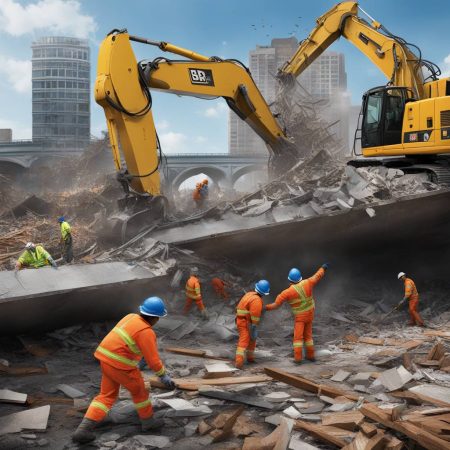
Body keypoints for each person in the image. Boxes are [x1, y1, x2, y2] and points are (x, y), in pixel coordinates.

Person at [72, 297, 175, 444]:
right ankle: (148, 423)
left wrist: (140, 358)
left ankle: (83, 429)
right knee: (140, 391)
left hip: (105, 360)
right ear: (154, 317)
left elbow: (126, 342)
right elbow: (154, 361)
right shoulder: (146, 332)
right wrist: (162, 375)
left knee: (106, 396)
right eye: (158, 317)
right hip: (121, 366)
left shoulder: (130, 317)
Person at [265, 264, 328, 364]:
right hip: (310, 314)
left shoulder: (287, 292)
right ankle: (311, 356)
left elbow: (276, 305)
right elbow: (318, 275)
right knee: (308, 336)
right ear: (300, 278)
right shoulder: (308, 282)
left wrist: (265, 308)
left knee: (298, 338)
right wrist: (323, 268)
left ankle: (298, 359)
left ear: (289, 280)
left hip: (300, 317)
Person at [235, 280, 270, 369]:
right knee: (244, 340)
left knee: (252, 340)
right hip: (245, 322)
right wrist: (254, 326)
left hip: (242, 320)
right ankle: (238, 363)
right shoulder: (257, 300)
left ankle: (250, 358)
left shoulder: (249, 294)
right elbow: (255, 316)